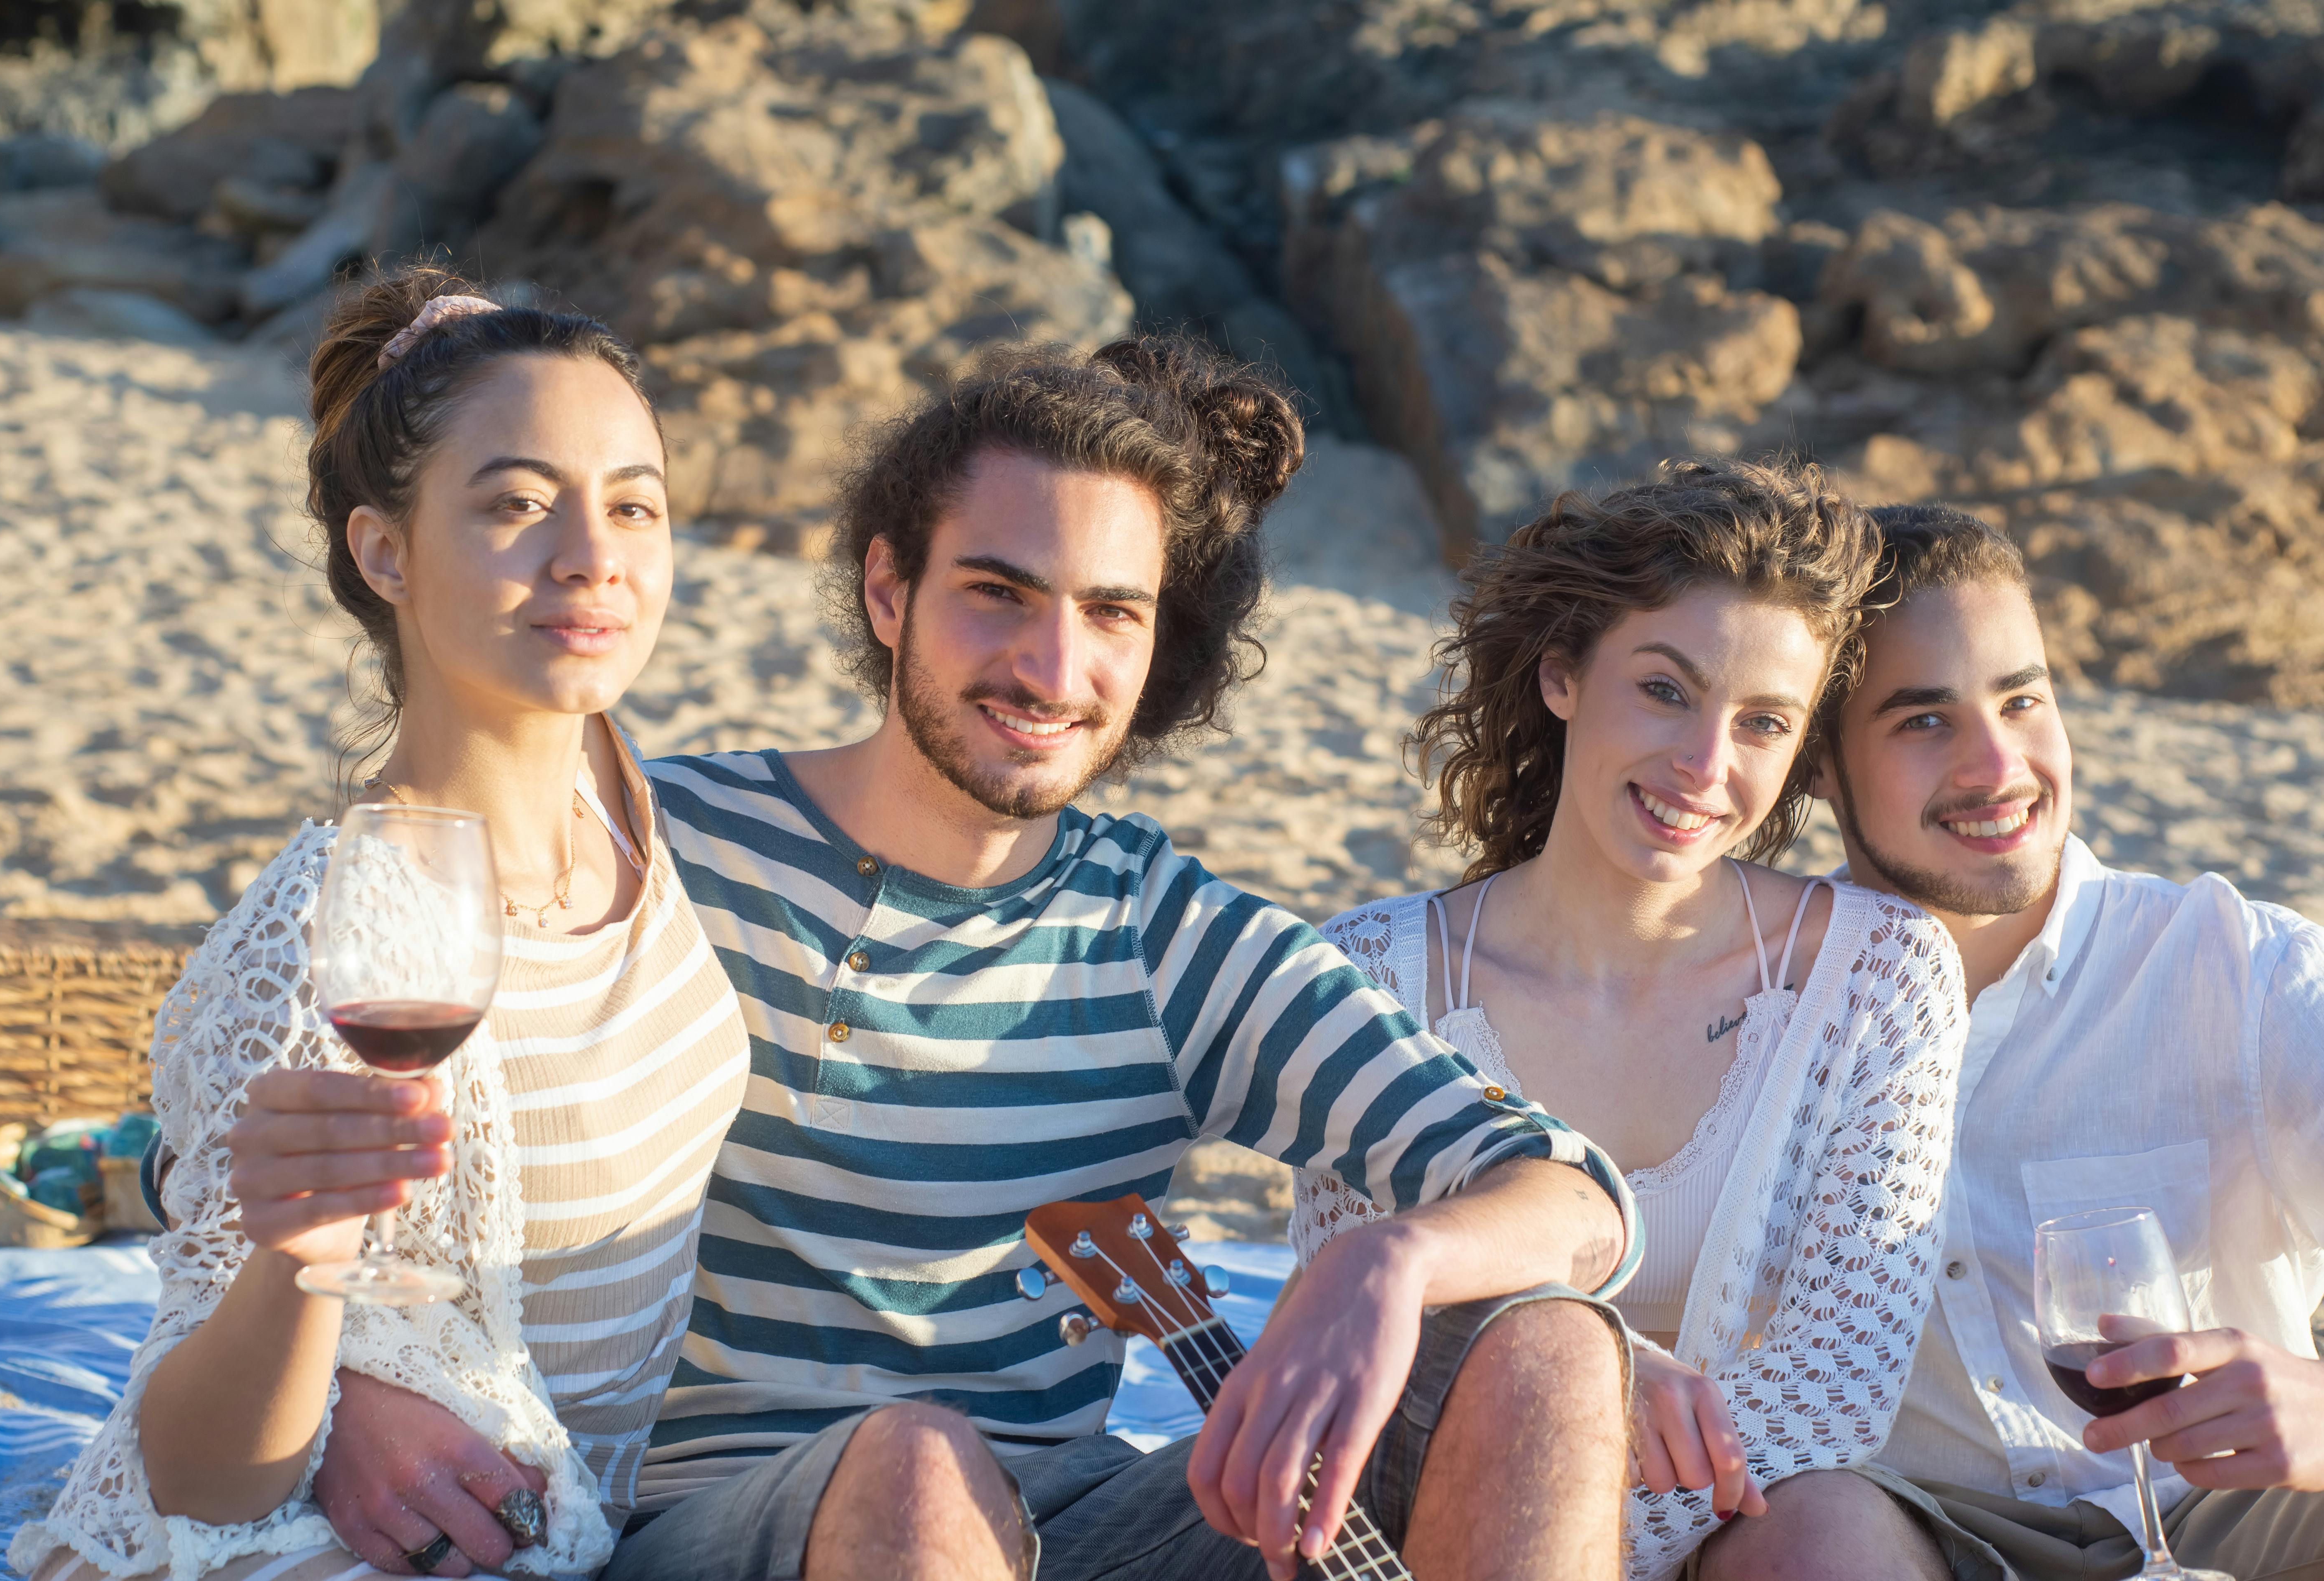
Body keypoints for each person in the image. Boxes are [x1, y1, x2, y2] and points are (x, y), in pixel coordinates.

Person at [308, 337, 1645, 1581]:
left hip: (1070, 1526)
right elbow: (266, 1135)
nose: (1053, 666)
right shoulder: (659, 847)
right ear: (889, 589)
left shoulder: (1163, 934)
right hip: (708, 1525)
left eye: (1111, 613)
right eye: (1000, 593)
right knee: (914, 1458)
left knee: (1548, 1349)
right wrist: (353, 1389)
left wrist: (1391, 1259)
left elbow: (1576, 1195)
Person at [11, 268, 755, 1581]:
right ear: (385, 552)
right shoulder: (329, 938)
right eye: (517, 503)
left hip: (572, 1530)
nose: (593, 555)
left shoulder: (620, 785)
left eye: (633, 504)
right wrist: (302, 1258)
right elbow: (203, 1482)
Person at [1284, 460, 1972, 1580]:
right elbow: (1366, 1348)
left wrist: (1594, 1538)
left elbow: (1836, 1387)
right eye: (1665, 690)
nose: (1705, 766)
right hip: (1458, 1511)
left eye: (1763, 722)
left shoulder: (1877, 972)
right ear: (1562, 674)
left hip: (1752, 1516)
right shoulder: (1375, 976)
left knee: (1836, 1538)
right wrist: (1552, 1478)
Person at [1700, 504, 2324, 1581]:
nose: (1999, 764)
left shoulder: (2245, 971)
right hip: (1935, 1536)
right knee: (1799, 1533)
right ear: (1816, 766)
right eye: (1923, 721)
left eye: (2022, 700)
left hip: (2240, 1520)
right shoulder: (1750, 1012)